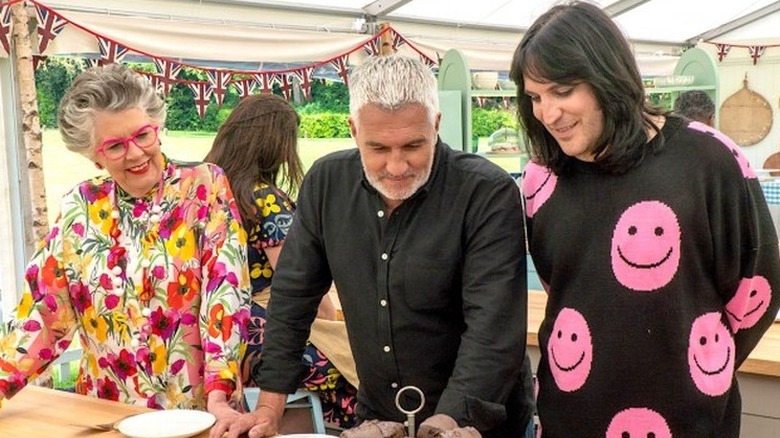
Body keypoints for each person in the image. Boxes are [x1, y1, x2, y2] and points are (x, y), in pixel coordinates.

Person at [211, 55, 535, 438]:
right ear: (353, 130)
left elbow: (493, 326)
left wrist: (447, 422)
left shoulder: (486, 191)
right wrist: (269, 407)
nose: (397, 166)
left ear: (436, 124)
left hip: (475, 422)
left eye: (414, 145)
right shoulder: (327, 183)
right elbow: (292, 299)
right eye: (378, 148)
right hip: (379, 418)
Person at [511, 2, 780, 436]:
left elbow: (756, 291)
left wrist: (697, 370)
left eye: (562, 91)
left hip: (688, 423)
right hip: (568, 418)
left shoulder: (708, 159)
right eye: (535, 97)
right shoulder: (542, 177)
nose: (547, 113)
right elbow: (564, 287)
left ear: (608, 76)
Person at [0, 64, 250, 422]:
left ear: (157, 128)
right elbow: (42, 313)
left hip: (199, 416)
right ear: (93, 155)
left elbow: (226, 293)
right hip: (110, 415)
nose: (135, 154)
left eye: (142, 136)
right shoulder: (80, 207)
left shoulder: (204, 187)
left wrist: (220, 394)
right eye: (115, 145)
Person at [204, 93, 358, 428]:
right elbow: (300, 282)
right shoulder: (265, 199)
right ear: (276, 145)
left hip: (222, 334)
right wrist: (332, 323)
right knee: (362, 367)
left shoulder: (208, 192)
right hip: (267, 334)